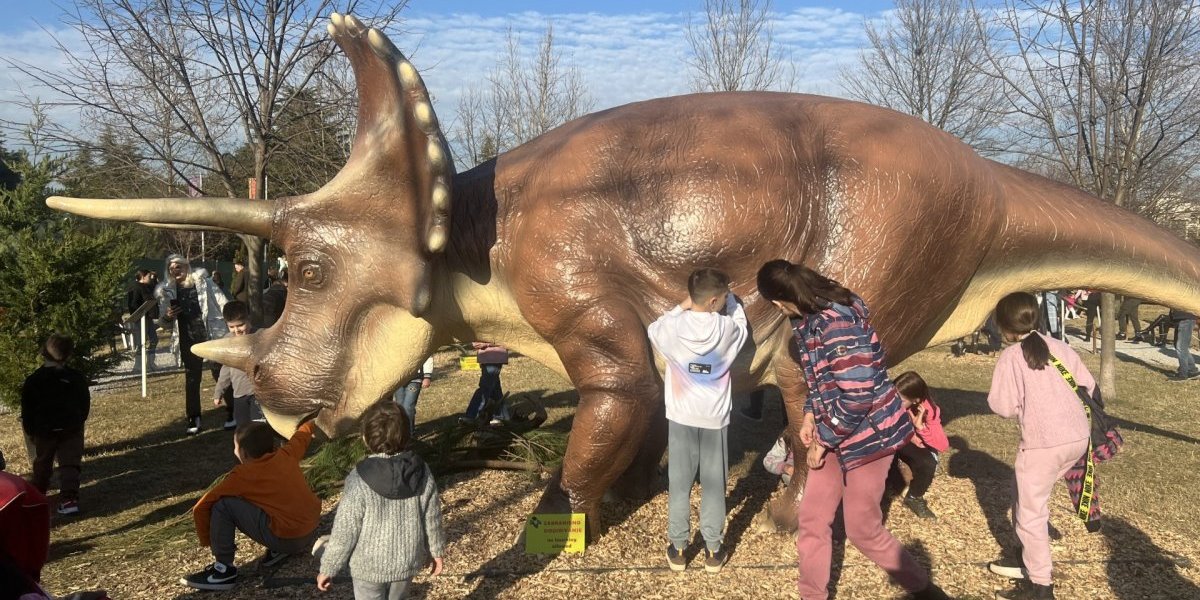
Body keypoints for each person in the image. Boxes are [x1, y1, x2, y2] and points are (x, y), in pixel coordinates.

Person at [756, 259, 948, 600]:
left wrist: (823, 440)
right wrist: (812, 416)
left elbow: (858, 395)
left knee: (863, 530)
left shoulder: (837, 327)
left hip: (870, 437)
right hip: (835, 431)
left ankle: (924, 589)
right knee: (813, 520)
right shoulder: (807, 323)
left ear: (778, 301)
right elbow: (820, 382)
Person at [985, 292, 1092, 600]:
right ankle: (1025, 557)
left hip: (1043, 444)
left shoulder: (1010, 357)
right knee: (1025, 498)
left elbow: (1002, 405)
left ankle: (1041, 587)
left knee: (1032, 515)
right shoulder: (1060, 347)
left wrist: (1026, 409)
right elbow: (1089, 385)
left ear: (1003, 324)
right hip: (1077, 439)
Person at [647, 268, 748, 573]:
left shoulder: (674, 328)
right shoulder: (726, 330)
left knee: (679, 484)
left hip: (680, 416)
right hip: (714, 418)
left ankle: (678, 547)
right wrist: (733, 304)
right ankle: (713, 550)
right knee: (715, 485)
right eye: (725, 297)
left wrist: (683, 305)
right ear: (716, 300)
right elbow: (740, 323)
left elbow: (654, 328)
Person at [316, 401, 445, 599]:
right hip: (406, 560)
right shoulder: (421, 471)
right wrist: (436, 550)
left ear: (365, 438)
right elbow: (432, 516)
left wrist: (329, 567)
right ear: (407, 435)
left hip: (368, 565)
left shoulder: (359, 477)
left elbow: (345, 529)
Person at [182, 420, 322, 591]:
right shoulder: (287, 453)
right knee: (269, 500)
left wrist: (207, 540)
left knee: (223, 505)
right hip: (310, 531)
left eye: (235, 447)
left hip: (287, 539)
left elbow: (202, 507)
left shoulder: (242, 475)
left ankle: (223, 570)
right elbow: (302, 435)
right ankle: (279, 551)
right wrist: (312, 420)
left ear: (243, 453)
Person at [156, 253, 231, 434]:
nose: (175, 270)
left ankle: (233, 411)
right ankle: (193, 417)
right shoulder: (167, 291)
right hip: (186, 338)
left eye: (178, 267)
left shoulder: (204, 283)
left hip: (210, 334)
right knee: (191, 378)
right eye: (171, 268)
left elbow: (223, 302)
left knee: (220, 373)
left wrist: (231, 324)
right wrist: (168, 316)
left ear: (186, 266)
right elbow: (163, 322)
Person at [20, 334, 91, 515]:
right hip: (71, 428)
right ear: (69, 356)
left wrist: (30, 430)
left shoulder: (33, 381)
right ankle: (69, 500)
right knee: (70, 464)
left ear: (43, 353)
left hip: (43, 431)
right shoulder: (76, 377)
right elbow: (84, 403)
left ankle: (37, 497)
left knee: (42, 464)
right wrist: (78, 420)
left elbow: (27, 410)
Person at [889, 371, 949, 520]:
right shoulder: (887, 400)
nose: (895, 403)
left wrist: (920, 428)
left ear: (915, 401)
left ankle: (914, 497)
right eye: (893, 397)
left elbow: (942, 445)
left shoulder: (929, 410)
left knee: (928, 462)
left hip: (906, 442)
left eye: (901, 400)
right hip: (892, 436)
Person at [213, 301, 263, 426]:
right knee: (243, 431)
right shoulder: (227, 340)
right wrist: (219, 391)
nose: (236, 330)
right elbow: (225, 368)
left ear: (249, 319)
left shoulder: (261, 336)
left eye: (240, 325)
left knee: (260, 430)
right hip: (239, 395)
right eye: (231, 327)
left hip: (260, 394)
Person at [462, 342, 510, 423]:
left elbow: (502, 339)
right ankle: (502, 416)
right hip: (486, 358)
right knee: (495, 389)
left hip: (494, 357)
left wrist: (486, 344)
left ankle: (472, 415)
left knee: (485, 388)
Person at [126, 270, 160, 370]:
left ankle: (150, 363)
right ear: (143, 277)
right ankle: (138, 365)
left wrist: (154, 277)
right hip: (140, 318)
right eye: (149, 276)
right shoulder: (135, 287)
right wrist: (139, 314)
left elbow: (154, 288)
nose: (150, 278)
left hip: (148, 318)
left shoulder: (147, 286)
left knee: (154, 339)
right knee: (141, 341)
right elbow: (133, 304)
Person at [393, 356, 434, 436]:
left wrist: (427, 376)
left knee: (408, 407)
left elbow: (428, 355)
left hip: (415, 379)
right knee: (400, 408)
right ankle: (401, 433)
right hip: (399, 379)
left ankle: (409, 434)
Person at [1168, 307, 1197, 380]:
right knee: (1178, 345)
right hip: (1180, 319)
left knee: (1181, 347)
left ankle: (1183, 374)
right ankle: (1192, 370)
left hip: (1186, 319)